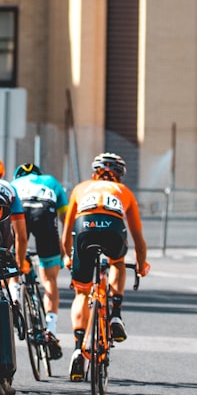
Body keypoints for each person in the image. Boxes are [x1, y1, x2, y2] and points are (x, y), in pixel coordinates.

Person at [61, 152, 149, 381]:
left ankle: (79, 348)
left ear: (94, 173)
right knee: (117, 262)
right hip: (113, 229)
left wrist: (68, 257)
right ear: (119, 175)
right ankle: (116, 314)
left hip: (84, 228)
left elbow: (66, 233)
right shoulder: (124, 192)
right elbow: (138, 238)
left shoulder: (81, 188)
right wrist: (141, 265)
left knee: (81, 291)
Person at [11, 162, 68, 359]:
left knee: (15, 263)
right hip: (44, 211)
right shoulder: (51, 181)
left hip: (19, 212)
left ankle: (15, 295)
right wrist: (63, 249)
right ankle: (50, 329)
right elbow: (65, 220)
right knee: (49, 280)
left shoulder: (14, 183)